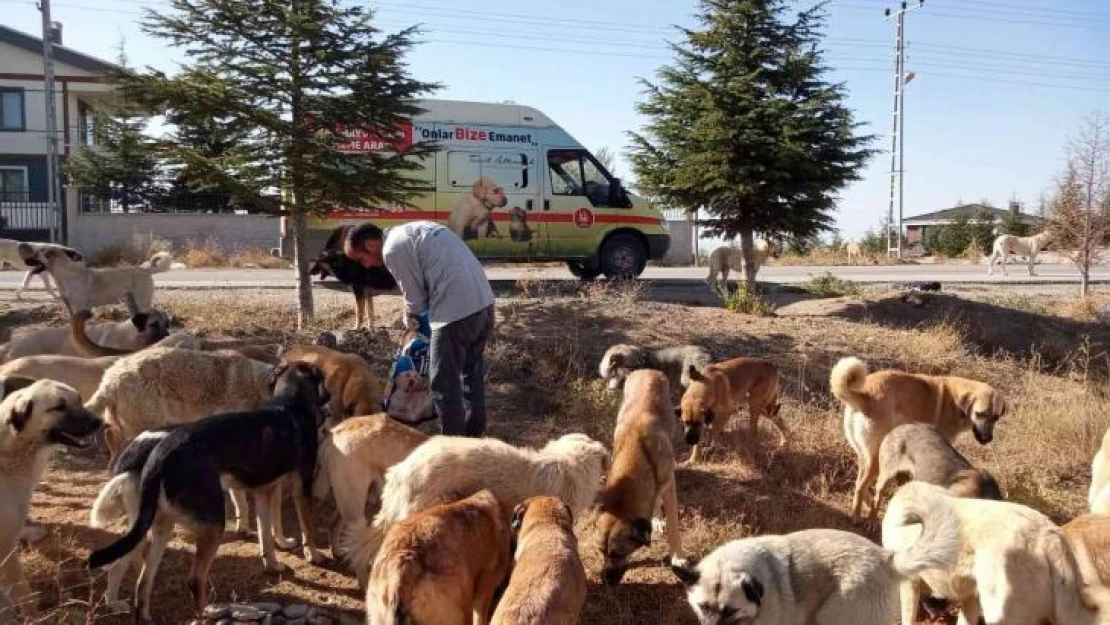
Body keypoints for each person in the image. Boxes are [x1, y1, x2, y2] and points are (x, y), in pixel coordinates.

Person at [343, 221, 495, 437]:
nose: (366, 266)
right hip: (484, 305)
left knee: (443, 385)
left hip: (456, 313)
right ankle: (474, 440)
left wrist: (409, 323)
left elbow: (415, 302)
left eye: (361, 259)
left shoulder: (393, 248)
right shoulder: (415, 229)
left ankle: (452, 451)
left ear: (370, 245)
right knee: (471, 377)